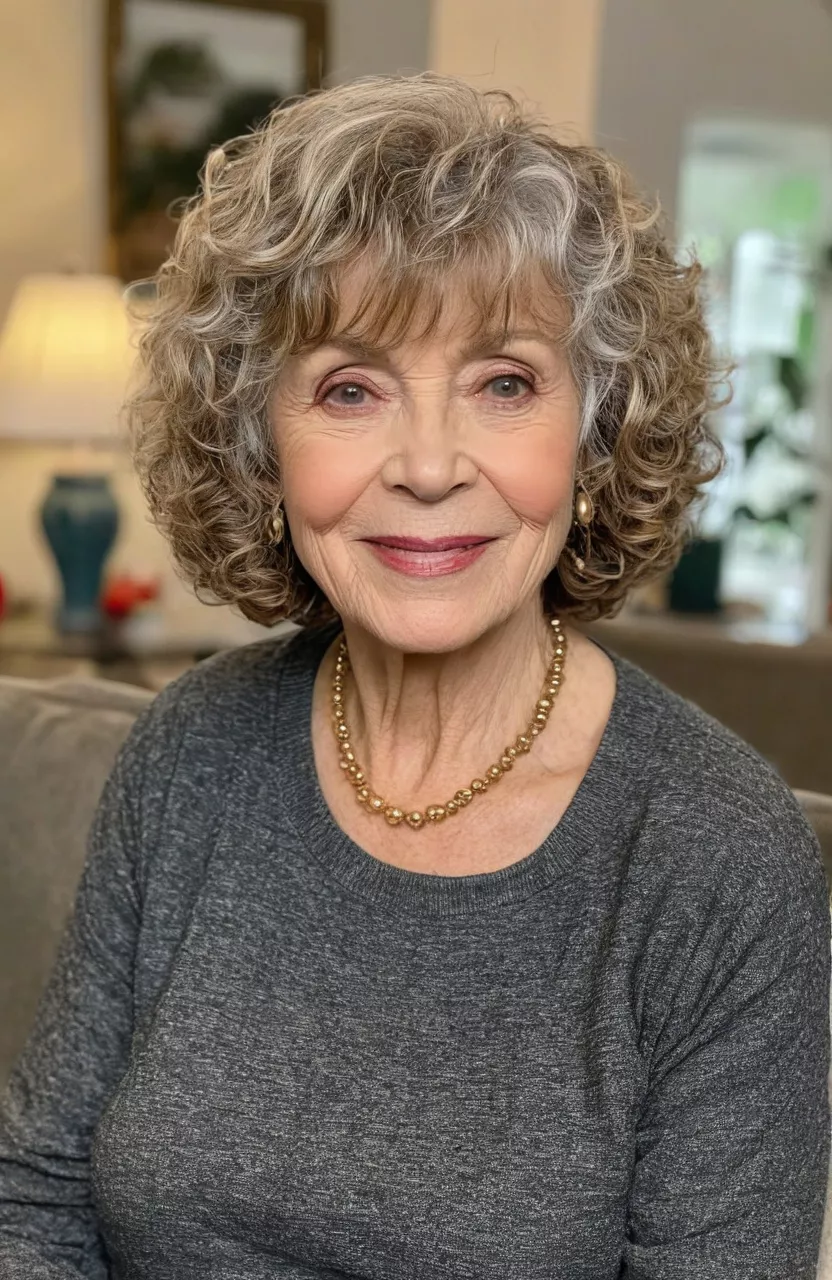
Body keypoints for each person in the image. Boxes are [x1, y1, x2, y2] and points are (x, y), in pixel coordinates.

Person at [0, 72, 828, 1280]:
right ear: (260, 443)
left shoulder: (717, 858)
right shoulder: (187, 754)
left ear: (592, 437)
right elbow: (36, 1197)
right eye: (350, 388)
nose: (430, 464)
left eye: (504, 382)